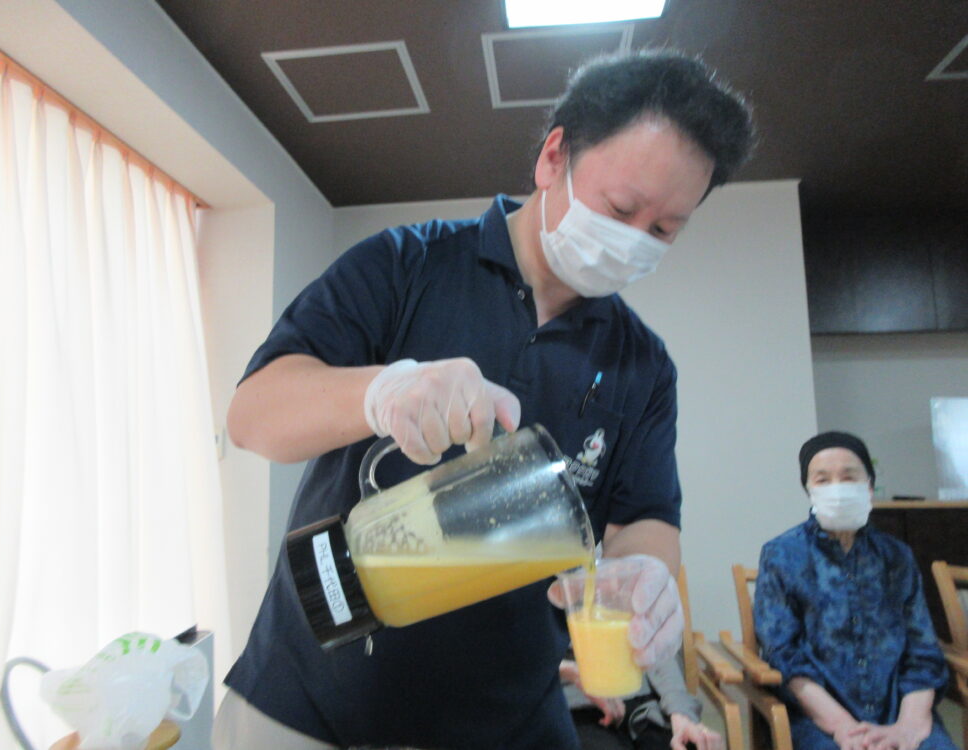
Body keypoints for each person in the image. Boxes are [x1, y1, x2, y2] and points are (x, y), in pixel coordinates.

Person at [215, 49, 756, 750]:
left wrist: (650, 573)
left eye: (661, 230)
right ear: (554, 156)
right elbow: (253, 416)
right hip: (309, 700)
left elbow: (644, 517)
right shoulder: (405, 265)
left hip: (509, 720)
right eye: (621, 208)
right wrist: (383, 391)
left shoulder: (641, 365)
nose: (630, 241)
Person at [753, 431, 956, 750]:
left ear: (870, 486)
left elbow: (923, 651)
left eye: (849, 477)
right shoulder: (782, 555)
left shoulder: (896, 557)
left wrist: (908, 727)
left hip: (900, 712)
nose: (837, 488)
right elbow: (783, 654)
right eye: (822, 480)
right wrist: (843, 727)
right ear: (808, 490)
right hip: (818, 718)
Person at [562, 656, 724, 750]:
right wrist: (572, 672)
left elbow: (660, 654)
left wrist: (682, 714)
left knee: (691, 744)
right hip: (576, 705)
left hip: (646, 707)